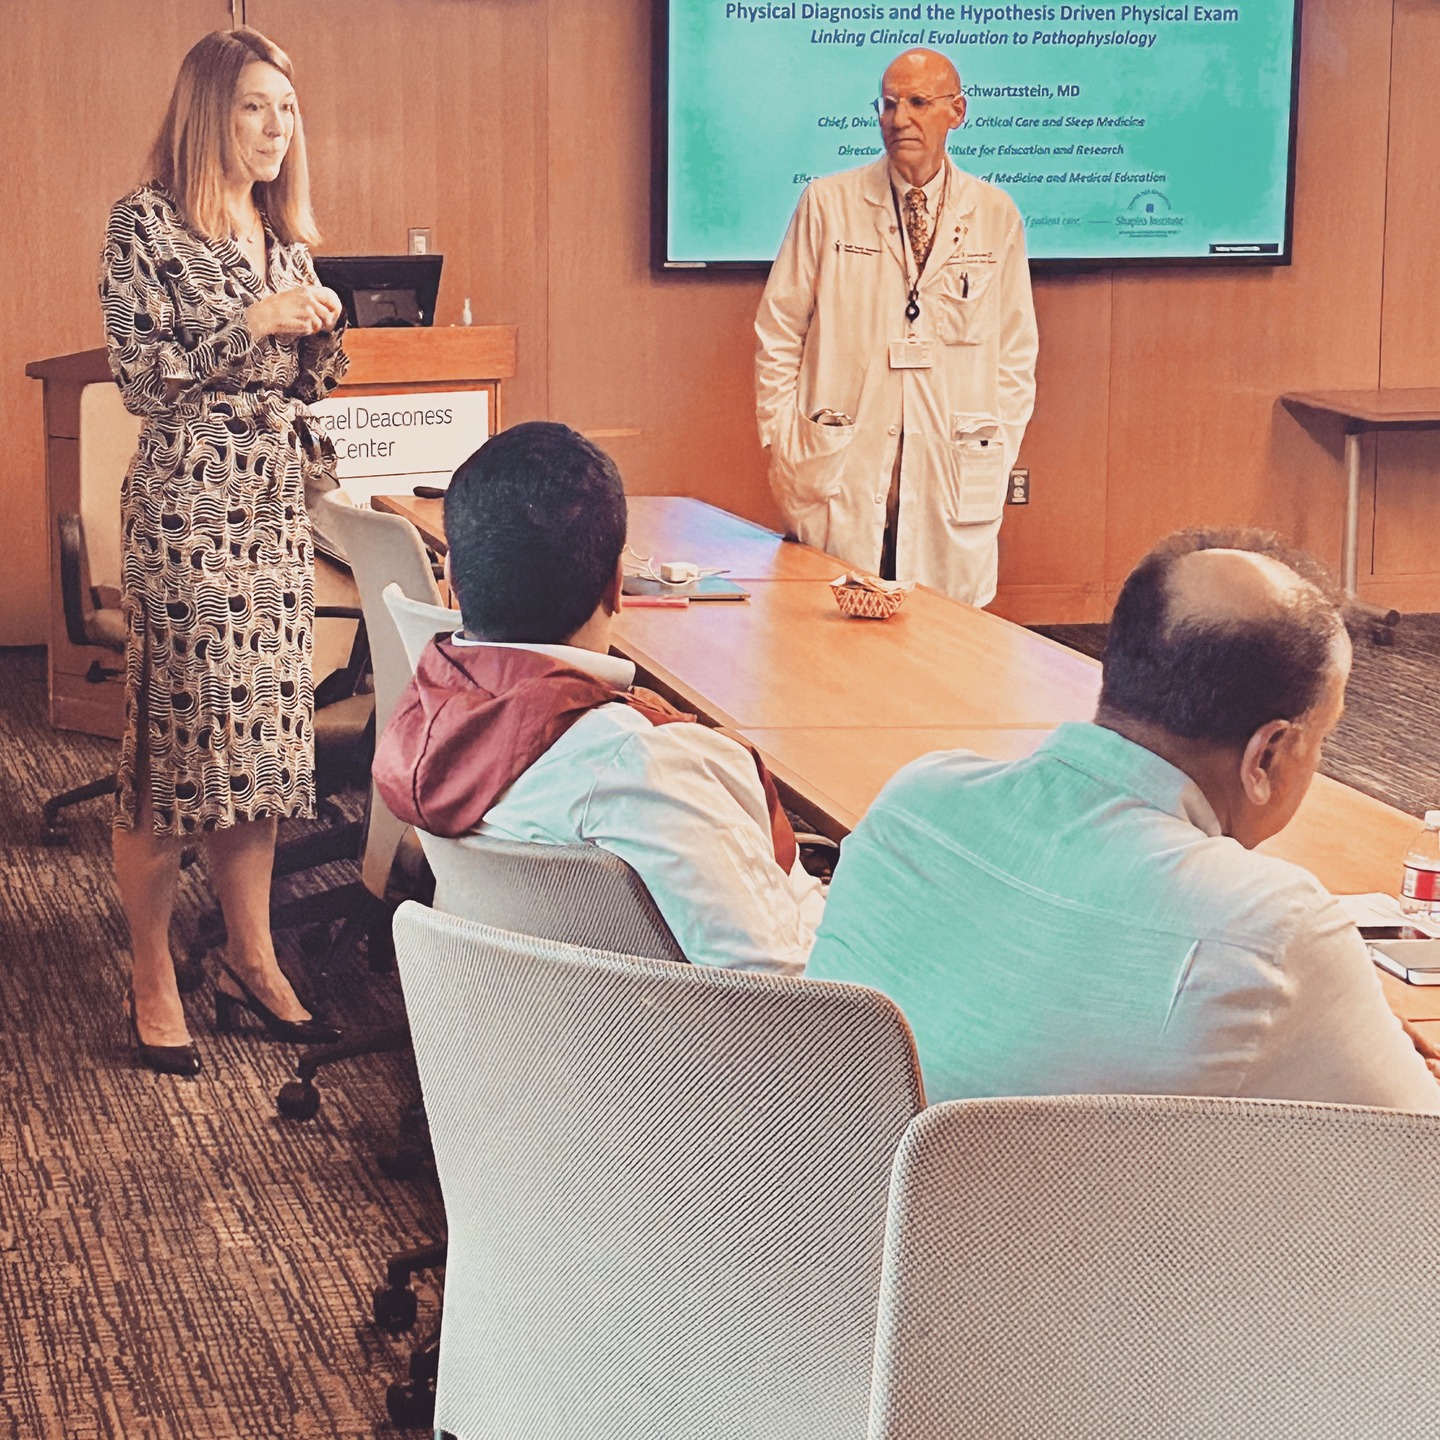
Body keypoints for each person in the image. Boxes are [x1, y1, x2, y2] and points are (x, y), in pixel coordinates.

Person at [807, 529, 1440, 1112]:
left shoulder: (917, 799)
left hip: (807, 1188)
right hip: (1041, 1205)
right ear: (1268, 754)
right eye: (1322, 738)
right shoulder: (1275, 930)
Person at [101, 27, 347, 1075]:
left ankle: (252, 956)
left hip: (272, 515)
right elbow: (141, 379)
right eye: (255, 106)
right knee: (176, 752)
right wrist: (254, 321)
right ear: (210, 111)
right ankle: (152, 976)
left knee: (261, 753)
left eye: (286, 109)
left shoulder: (279, 229)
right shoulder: (144, 223)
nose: (276, 128)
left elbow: (303, 382)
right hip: (188, 518)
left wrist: (319, 331)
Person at [372, 422, 823, 975]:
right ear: (616, 585)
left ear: (452, 579)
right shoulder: (639, 765)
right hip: (674, 1026)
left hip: (525, 1009)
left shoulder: (424, 713)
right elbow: (787, 983)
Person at [755, 47, 1038, 608]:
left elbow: (1015, 352)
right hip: (843, 459)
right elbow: (779, 330)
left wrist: (996, 449)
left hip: (949, 467)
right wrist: (783, 438)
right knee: (831, 631)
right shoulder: (828, 203)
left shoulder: (994, 213)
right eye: (888, 104)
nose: (899, 118)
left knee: (945, 636)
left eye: (917, 102)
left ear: (957, 111)